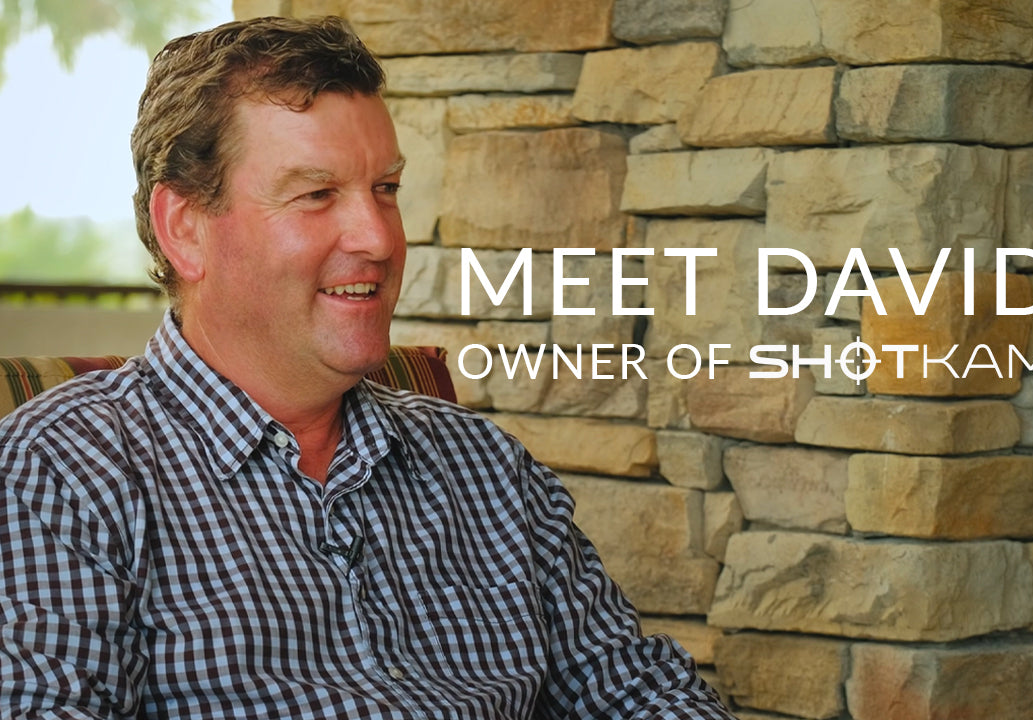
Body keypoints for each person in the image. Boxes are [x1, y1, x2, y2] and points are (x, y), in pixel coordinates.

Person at [0, 15, 737, 719]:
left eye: (386, 190)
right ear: (185, 228)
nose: (378, 239)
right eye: (317, 195)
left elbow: (634, 689)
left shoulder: (485, 465)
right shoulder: (66, 471)